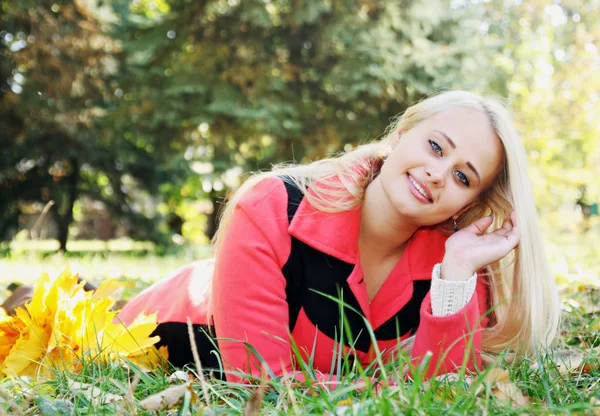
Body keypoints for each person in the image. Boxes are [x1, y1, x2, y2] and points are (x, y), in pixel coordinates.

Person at [117, 91, 561, 385]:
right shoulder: (271, 205)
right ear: (402, 135)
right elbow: (263, 388)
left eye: (464, 176)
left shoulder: (455, 271)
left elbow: (443, 394)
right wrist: (386, 391)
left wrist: (457, 273)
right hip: (159, 330)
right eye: (435, 147)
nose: (438, 173)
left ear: (467, 204)